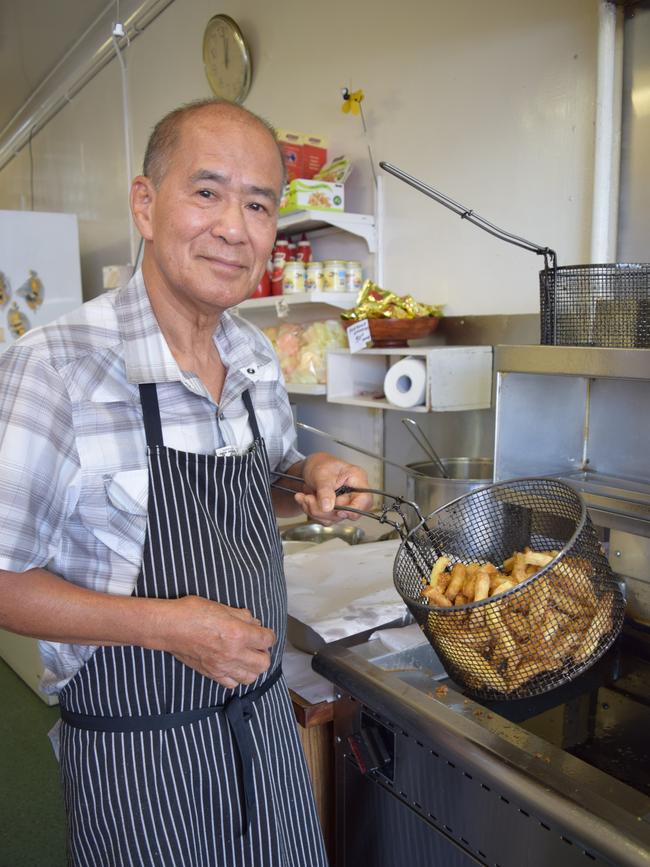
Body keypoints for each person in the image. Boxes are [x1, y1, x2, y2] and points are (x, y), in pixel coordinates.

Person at [0, 98, 373, 866]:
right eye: (207, 192)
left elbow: (258, 482)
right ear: (145, 203)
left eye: (259, 203)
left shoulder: (255, 357)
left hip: (264, 730)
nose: (235, 226)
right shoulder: (57, 367)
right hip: (139, 753)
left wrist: (311, 476)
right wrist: (168, 627)